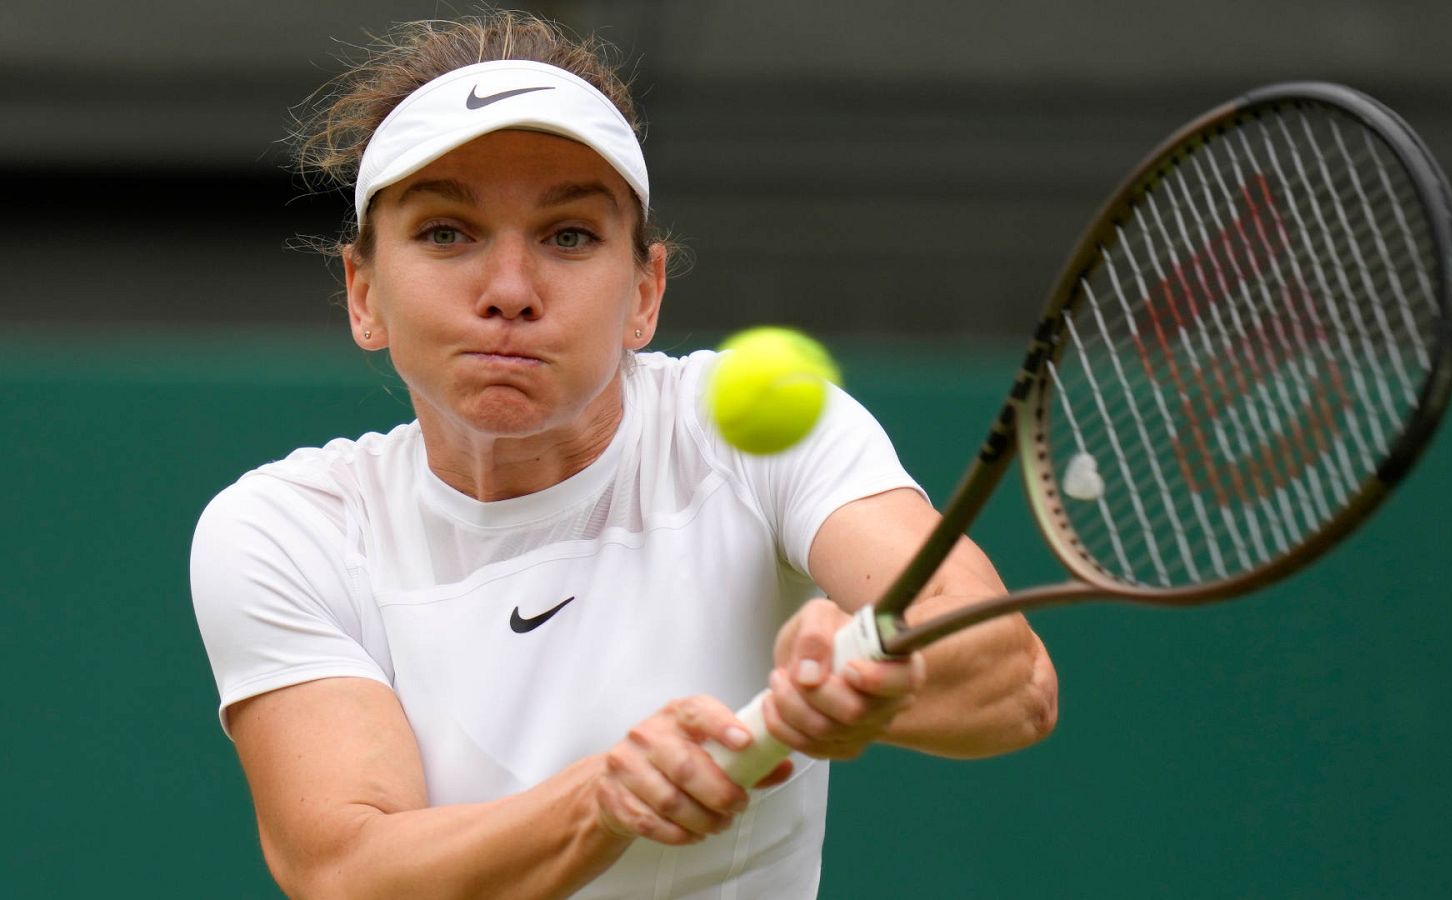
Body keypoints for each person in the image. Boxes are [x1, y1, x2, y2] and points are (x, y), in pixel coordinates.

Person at [190, 10, 1057, 899]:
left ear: (644, 294)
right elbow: (349, 872)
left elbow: (1013, 681)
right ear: (362, 293)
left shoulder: (755, 431)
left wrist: (877, 677)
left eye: (569, 236)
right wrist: (601, 799)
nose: (511, 291)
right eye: (447, 233)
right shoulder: (287, 528)